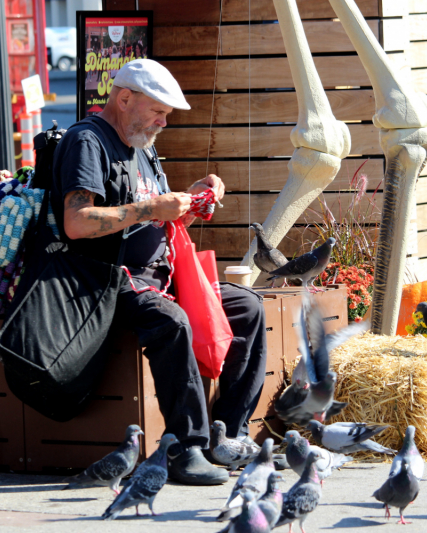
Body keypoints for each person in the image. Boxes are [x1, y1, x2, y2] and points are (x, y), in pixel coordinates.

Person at [52, 59, 267, 485]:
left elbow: (153, 215)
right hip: (106, 280)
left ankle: (226, 433)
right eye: (158, 111)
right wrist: (153, 208)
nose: (164, 122)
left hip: (158, 274)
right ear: (124, 98)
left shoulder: (142, 141)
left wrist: (189, 200)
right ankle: (183, 448)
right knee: (171, 321)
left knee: (248, 307)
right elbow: (77, 223)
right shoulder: (87, 141)